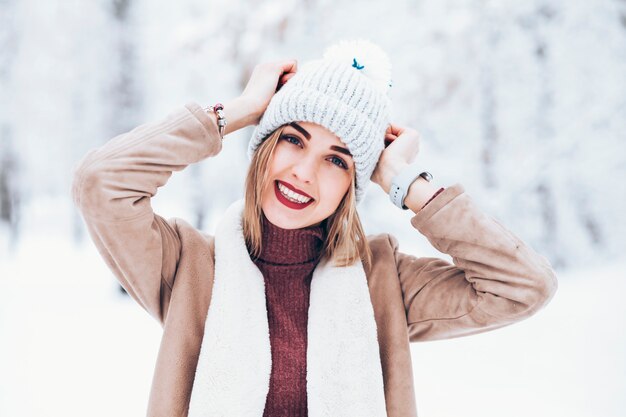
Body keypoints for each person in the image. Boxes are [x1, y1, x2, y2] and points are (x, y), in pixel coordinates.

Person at [71, 39, 558, 417]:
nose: (304, 172)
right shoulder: (189, 266)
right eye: (292, 139)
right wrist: (240, 110)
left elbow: (524, 287)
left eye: (337, 161)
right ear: (263, 145)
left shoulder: (382, 281)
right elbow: (101, 183)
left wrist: (406, 182)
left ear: (353, 184)